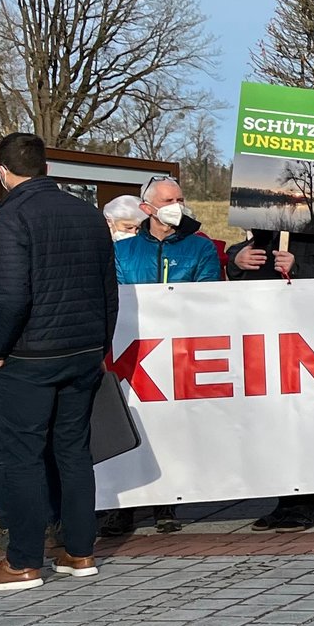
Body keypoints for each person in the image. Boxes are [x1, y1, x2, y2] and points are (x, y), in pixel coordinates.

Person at [0, 133, 117, 594]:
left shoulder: (13, 216)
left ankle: (23, 562)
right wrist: (100, 344)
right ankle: (79, 551)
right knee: (73, 451)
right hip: (84, 351)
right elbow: (108, 288)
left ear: (2, 172)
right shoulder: (87, 213)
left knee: (19, 456)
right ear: (46, 167)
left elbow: (10, 296)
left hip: (30, 355)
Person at [99, 176, 222, 537]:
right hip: (131, 354)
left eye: (181, 198)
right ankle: (125, 508)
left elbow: (207, 296)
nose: (177, 205)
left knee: (172, 427)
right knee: (130, 424)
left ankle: (167, 503)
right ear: (147, 208)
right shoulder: (122, 251)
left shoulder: (199, 249)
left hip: (179, 352)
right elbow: (117, 297)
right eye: (169, 199)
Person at [227, 210, 314, 534]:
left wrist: (299, 268)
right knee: (274, 426)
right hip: (267, 345)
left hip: (311, 345)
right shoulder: (261, 231)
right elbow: (233, 261)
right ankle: (283, 501)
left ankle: (306, 502)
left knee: (306, 423)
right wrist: (236, 260)